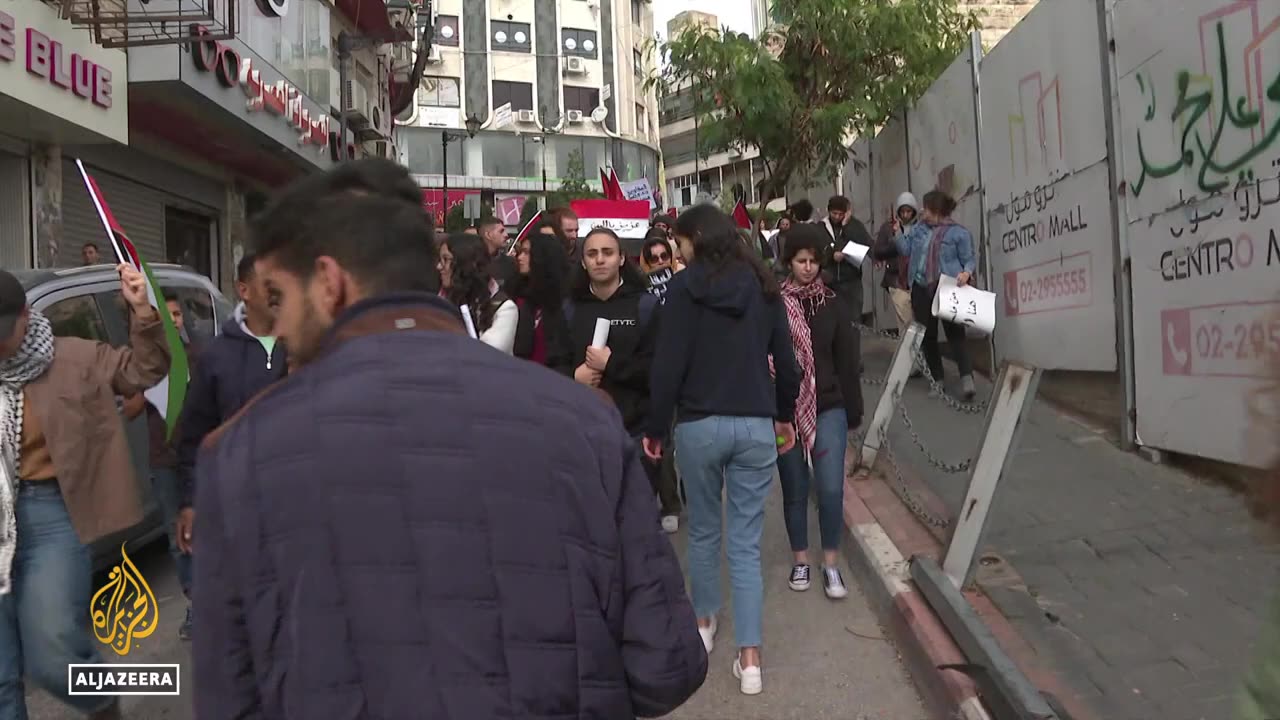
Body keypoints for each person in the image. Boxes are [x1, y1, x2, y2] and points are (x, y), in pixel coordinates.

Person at [191, 158, 707, 719]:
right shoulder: (584, 422)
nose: (277, 330)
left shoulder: (240, 454)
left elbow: (229, 698)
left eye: (278, 301)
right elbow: (665, 667)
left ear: (330, 284)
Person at [643, 204, 801, 696]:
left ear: (694, 239)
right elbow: (787, 362)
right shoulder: (763, 287)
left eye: (680, 241)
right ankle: (750, 659)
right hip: (755, 424)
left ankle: (704, 626)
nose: (677, 249)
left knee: (705, 533)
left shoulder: (684, 290)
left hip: (698, 425)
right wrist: (784, 414)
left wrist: (656, 427)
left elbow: (669, 364)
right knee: (747, 543)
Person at [0, 264, 169, 720]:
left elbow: (145, 369)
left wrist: (142, 312)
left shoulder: (75, 358)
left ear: (25, 318)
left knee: (54, 653)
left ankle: (102, 702)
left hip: (50, 512)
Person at [563, 228, 678, 531]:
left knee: (636, 527)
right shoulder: (570, 310)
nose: (600, 259)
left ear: (621, 259)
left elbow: (659, 371)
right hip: (584, 436)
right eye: (592, 253)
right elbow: (550, 367)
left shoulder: (645, 306)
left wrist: (611, 364)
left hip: (636, 434)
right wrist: (573, 376)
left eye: (607, 252)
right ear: (583, 262)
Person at [174, 253, 287, 558]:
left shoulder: (302, 344)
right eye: (268, 284)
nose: (278, 291)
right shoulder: (216, 356)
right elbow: (195, 435)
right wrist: (190, 501)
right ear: (244, 290)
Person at [773, 225, 862, 599]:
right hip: (782, 412)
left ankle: (830, 563)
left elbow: (847, 362)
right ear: (789, 262)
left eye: (813, 261)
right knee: (794, 488)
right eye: (800, 261)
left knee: (829, 488)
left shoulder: (833, 304)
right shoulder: (773, 305)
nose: (808, 268)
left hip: (829, 407)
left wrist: (853, 413)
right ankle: (801, 561)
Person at [121, 296, 197, 640]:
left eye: (179, 314)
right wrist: (154, 384)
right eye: (168, 316)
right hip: (164, 460)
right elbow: (131, 409)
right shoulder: (147, 363)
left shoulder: (199, 355)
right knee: (175, 537)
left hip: (198, 458)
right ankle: (197, 605)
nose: (175, 321)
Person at [895, 190, 978, 400]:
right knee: (927, 336)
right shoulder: (918, 230)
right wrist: (898, 233)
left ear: (937, 210)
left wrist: (966, 272)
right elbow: (905, 250)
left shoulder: (958, 233)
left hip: (948, 287)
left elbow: (968, 259)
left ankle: (967, 378)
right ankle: (937, 380)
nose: (922, 212)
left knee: (955, 334)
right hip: (922, 288)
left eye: (927, 208)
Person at [439, 232, 519, 354]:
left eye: (446, 259)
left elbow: (488, 353)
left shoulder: (504, 308)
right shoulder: (443, 302)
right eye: (440, 259)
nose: (439, 266)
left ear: (465, 263)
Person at [509, 222, 571, 369]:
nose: (520, 257)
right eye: (520, 252)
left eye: (526, 253)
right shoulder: (518, 295)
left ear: (542, 256)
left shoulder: (564, 303)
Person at [819, 195, 872, 325]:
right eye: (834, 213)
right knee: (833, 321)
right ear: (828, 211)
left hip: (851, 280)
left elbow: (865, 242)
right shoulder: (821, 227)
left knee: (854, 320)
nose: (837, 217)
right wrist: (832, 255)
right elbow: (818, 250)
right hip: (830, 282)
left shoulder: (855, 225)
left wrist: (847, 225)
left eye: (840, 214)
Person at [874, 192, 920, 336]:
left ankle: (913, 354)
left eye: (909, 211)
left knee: (915, 322)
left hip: (917, 280)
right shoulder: (888, 228)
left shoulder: (919, 228)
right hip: (896, 280)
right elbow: (879, 251)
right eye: (903, 211)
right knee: (906, 322)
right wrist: (896, 240)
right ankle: (909, 355)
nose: (906, 215)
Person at [478, 217, 516, 287]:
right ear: (488, 235)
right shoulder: (474, 263)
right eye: (501, 231)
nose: (506, 235)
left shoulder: (511, 263)